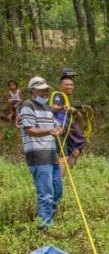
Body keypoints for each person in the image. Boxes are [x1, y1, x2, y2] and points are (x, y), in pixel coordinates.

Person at [18, 77, 63, 230]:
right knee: (46, 193)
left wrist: (58, 128)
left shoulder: (47, 109)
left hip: (51, 155)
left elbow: (55, 124)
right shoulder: (27, 106)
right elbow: (30, 130)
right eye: (42, 90)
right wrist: (49, 131)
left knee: (57, 191)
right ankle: (45, 227)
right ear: (32, 91)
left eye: (46, 90)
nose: (45, 93)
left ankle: (51, 222)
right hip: (38, 156)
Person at [51, 68, 88, 175]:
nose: (70, 86)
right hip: (59, 129)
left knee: (75, 152)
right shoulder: (58, 95)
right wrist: (63, 107)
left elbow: (70, 107)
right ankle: (59, 184)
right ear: (61, 85)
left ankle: (64, 176)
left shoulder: (66, 97)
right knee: (63, 158)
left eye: (71, 84)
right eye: (67, 85)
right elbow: (54, 107)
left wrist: (79, 107)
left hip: (68, 130)